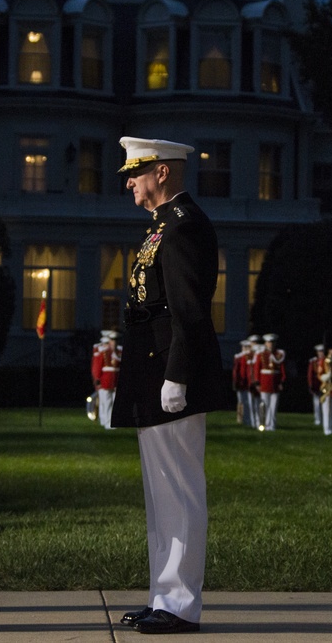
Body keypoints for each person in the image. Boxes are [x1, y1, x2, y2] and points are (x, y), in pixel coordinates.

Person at [111, 136, 226, 635]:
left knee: (178, 489)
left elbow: (188, 309)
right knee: (161, 493)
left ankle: (180, 603)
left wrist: (177, 373)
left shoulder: (183, 227)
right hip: (151, 369)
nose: (129, 181)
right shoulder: (161, 227)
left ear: (164, 172)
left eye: (136, 172)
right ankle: (164, 594)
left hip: (168, 371)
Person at [253, 333, 286, 431]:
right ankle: (264, 423)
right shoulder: (261, 355)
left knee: (274, 405)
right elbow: (257, 369)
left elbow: (282, 370)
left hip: (275, 383)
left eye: (272, 342)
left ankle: (272, 424)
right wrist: (257, 382)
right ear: (265, 343)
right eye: (268, 342)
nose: (270, 344)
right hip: (265, 382)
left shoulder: (279, 355)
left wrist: (282, 381)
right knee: (265, 405)